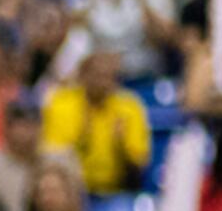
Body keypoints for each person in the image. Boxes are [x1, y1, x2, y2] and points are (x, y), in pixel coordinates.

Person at [41, 48, 151, 197]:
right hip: (70, 192)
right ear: (81, 76)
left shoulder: (129, 107)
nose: (102, 83)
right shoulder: (61, 104)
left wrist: (121, 144)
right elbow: (54, 154)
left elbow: (139, 163)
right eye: (96, 75)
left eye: (109, 77)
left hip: (117, 191)